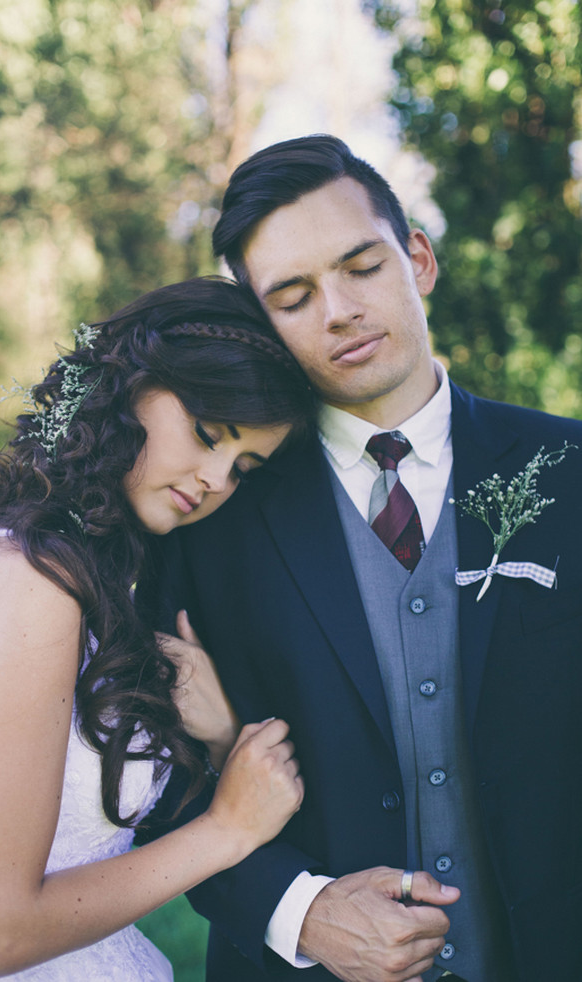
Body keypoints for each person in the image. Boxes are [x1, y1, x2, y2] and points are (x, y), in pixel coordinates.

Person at [154, 136, 582, 982]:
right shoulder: (209, 509)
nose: (339, 310)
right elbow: (149, 772)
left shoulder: (569, 469)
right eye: (293, 294)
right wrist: (298, 912)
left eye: (360, 267)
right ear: (262, 327)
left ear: (416, 259)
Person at [0, 276, 313, 981]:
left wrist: (223, 733)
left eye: (243, 467)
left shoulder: (71, 567)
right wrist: (225, 830)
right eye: (206, 434)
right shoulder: (30, 588)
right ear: (130, 385)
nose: (215, 481)